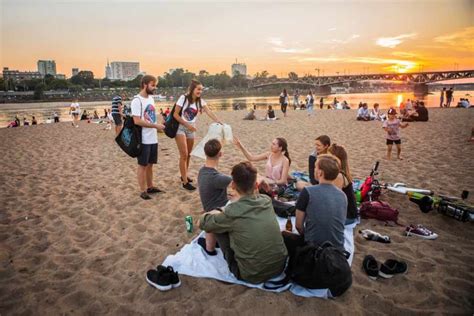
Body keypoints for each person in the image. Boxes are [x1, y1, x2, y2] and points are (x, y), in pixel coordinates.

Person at [199, 161, 288, 284]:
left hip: (251, 274)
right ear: (256, 185)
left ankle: (210, 250)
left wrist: (219, 211)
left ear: (233, 185)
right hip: (280, 267)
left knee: (217, 226)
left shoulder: (232, 212)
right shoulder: (266, 201)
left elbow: (203, 222)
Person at [282, 155, 347, 263]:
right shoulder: (342, 196)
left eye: (315, 167)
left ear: (320, 173)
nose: (314, 170)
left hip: (313, 248)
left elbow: (298, 226)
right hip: (337, 249)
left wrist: (306, 235)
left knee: (283, 235)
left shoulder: (308, 191)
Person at [173, 79, 223, 191]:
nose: (200, 91)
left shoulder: (200, 101)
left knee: (189, 154)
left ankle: (184, 175)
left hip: (191, 129)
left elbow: (209, 112)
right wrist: (187, 125)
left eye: (201, 89)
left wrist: (218, 121)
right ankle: (185, 182)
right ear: (192, 89)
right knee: (184, 154)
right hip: (180, 128)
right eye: (198, 89)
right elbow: (175, 115)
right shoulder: (183, 98)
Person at [131, 75, 166, 200]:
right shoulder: (137, 100)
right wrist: (155, 125)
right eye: (152, 85)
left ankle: (150, 186)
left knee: (150, 164)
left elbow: (150, 115)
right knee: (142, 165)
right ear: (145, 84)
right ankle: (142, 190)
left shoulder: (151, 99)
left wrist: (159, 123)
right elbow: (136, 121)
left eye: (155, 85)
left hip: (153, 137)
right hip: (143, 139)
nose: (155, 88)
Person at [197, 139, 233, 256]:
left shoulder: (202, 171)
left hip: (208, 208)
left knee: (210, 217)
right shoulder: (218, 178)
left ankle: (213, 243)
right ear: (220, 154)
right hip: (218, 214)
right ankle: (210, 249)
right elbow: (240, 183)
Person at [328, 144, 358, 223]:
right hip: (346, 212)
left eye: (330, 157)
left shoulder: (339, 176)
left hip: (347, 216)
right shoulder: (339, 173)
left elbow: (333, 200)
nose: (327, 160)